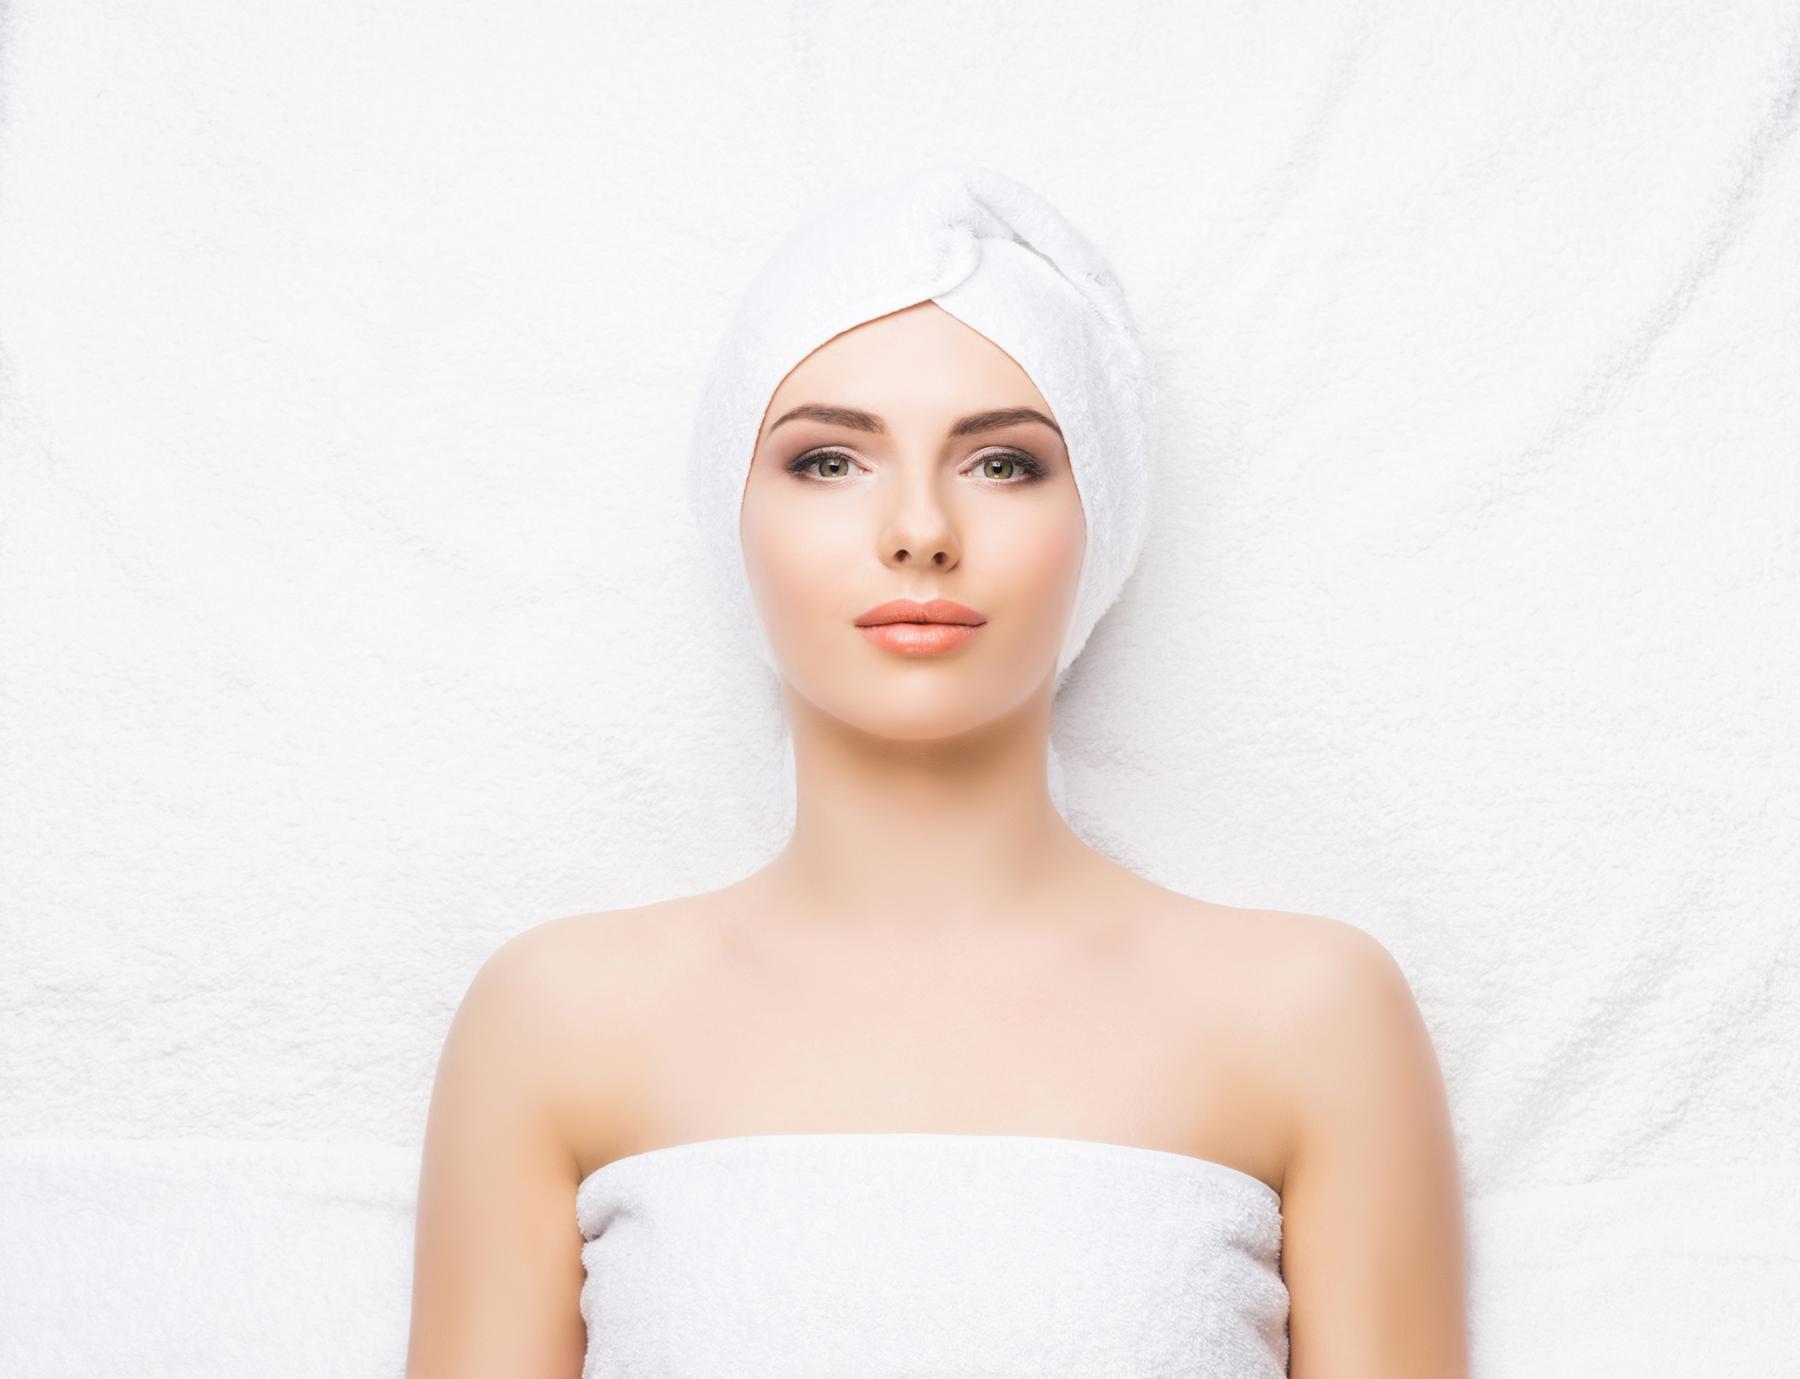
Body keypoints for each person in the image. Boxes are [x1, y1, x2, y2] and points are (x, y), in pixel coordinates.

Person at [405, 168, 1467, 1379]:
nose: (919, 530)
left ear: (1100, 515)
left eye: (1003, 462)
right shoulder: (556, 1020)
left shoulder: (1310, 1016)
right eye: (828, 461)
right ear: (734, 515)